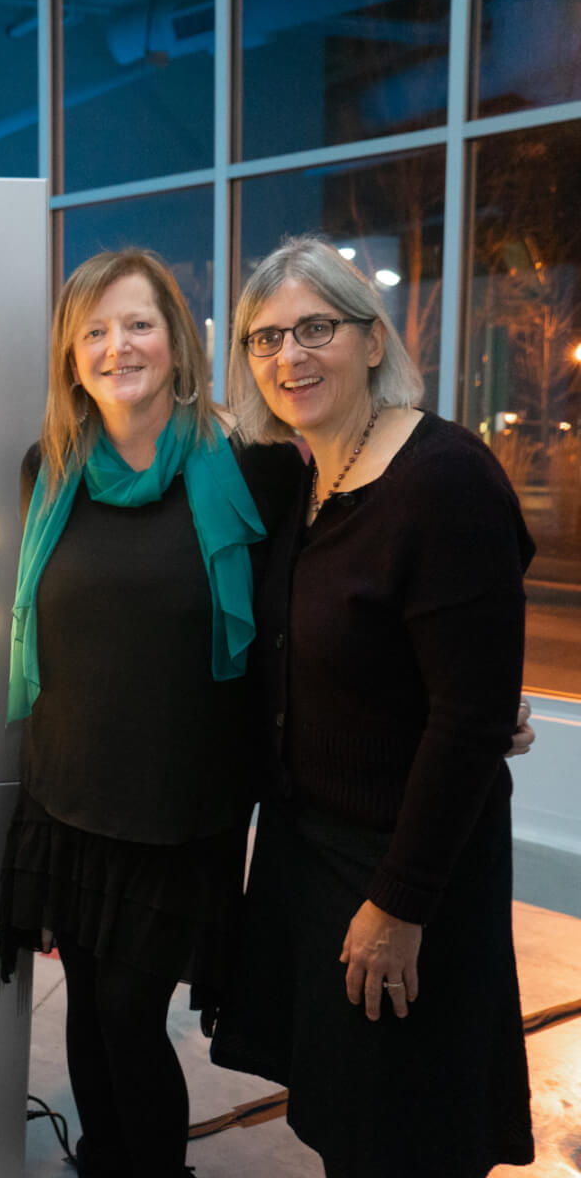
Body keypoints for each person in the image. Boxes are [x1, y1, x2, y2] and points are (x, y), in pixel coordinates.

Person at [210, 237, 535, 1176]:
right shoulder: (303, 475)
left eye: (316, 328)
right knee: (344, 1119)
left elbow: (469, 719)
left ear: (373, 339)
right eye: (266, 339)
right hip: (311, 854)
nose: (289, 356)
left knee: (409, 1129)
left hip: (406, 865)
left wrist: (399, 902)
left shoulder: (444, 479)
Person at [0, 249, 294, 1178]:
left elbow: (305, 622)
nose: (116, 346)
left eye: (137, 323)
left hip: (179, 809)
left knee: (130, 1013)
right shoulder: (47, 468)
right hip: (69, 795)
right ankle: (104, 1159)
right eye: (93, 331)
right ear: (70, 355)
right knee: (88, 1006)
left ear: (176, 339)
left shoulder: (252, 470)